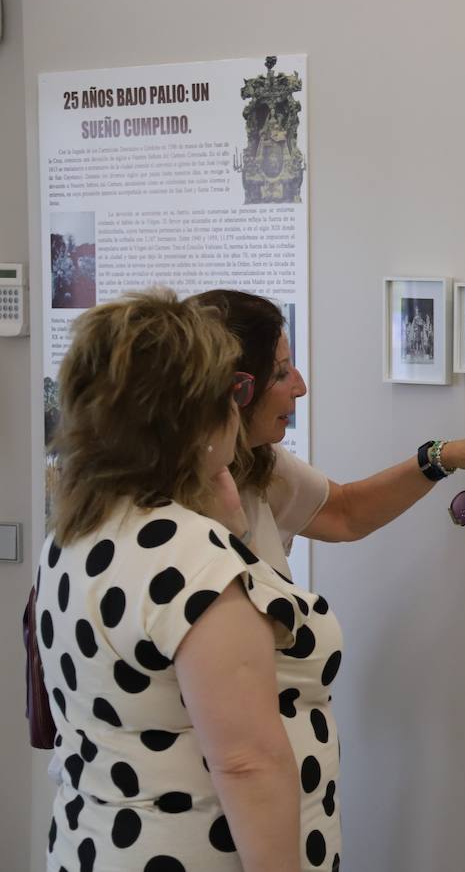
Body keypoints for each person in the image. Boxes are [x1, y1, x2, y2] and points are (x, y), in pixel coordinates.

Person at [40, 290, 329, 871]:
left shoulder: (77, 531)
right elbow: (247, 764)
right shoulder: (196, 560)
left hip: (97, 843)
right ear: (189, 414)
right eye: (234, 391)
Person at [190, 290, 465, 582]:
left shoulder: (257, 463)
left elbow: (346, 512)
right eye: (281, 373)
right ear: (235, 390)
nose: (300, 387)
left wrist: (443, 456)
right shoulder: (164, 519)